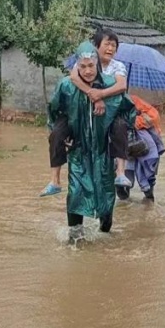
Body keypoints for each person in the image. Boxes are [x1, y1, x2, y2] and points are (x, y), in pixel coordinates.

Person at [47, 41, 136, 240]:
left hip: (103, 153)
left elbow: (128, 108)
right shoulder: (67, 86)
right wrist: (64, 135)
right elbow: (54, 111)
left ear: (97, 64)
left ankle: (105, 236)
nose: (87, 71)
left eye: (91, 66)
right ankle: (75, 237)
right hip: (78, 151)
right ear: (76, 66)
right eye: (83, 66)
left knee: (105, 195)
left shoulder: (110, 84)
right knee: (76, 193)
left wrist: (116, 132)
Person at [40, 28, 131, 197]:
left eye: (114, 46)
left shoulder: (116, 68)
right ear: (96, 47)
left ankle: (120, 173)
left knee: (120, 126)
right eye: (107, 44)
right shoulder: (78, 69)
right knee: (57, 134)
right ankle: (55, 180)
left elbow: (121, 86)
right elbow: (73, 79)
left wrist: (101, 94)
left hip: (106, 116)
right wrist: (94, 96)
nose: (110, 48)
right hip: (79, 116)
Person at [118, 94, 165, 202]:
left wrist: (134, 120)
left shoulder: (134, 100)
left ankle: (147, 200)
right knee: (124, 177)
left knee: (148, 176)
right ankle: (126, 204)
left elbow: (153, 117)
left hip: (144, 144)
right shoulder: (108, 103)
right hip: (123, 145)